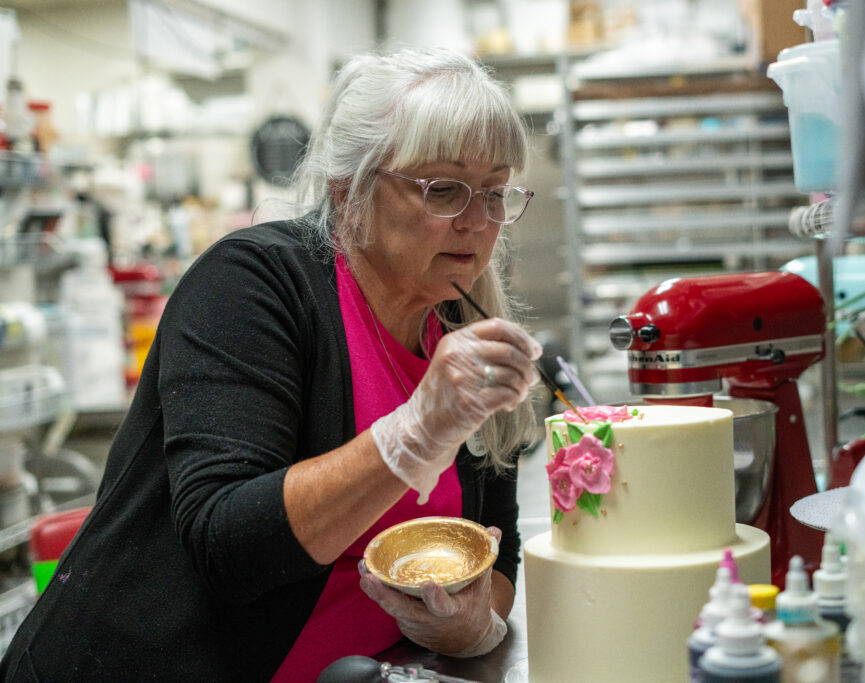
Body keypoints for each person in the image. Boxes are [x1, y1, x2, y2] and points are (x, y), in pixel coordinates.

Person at [0, 46, 540, 681]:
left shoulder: (460, 321)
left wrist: (472, 626)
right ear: (350, 188)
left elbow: (497, 548)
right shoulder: (252, 284)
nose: (478, 222)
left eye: (496, 193)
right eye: (444, 189)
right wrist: (416, 431)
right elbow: (227, 545)